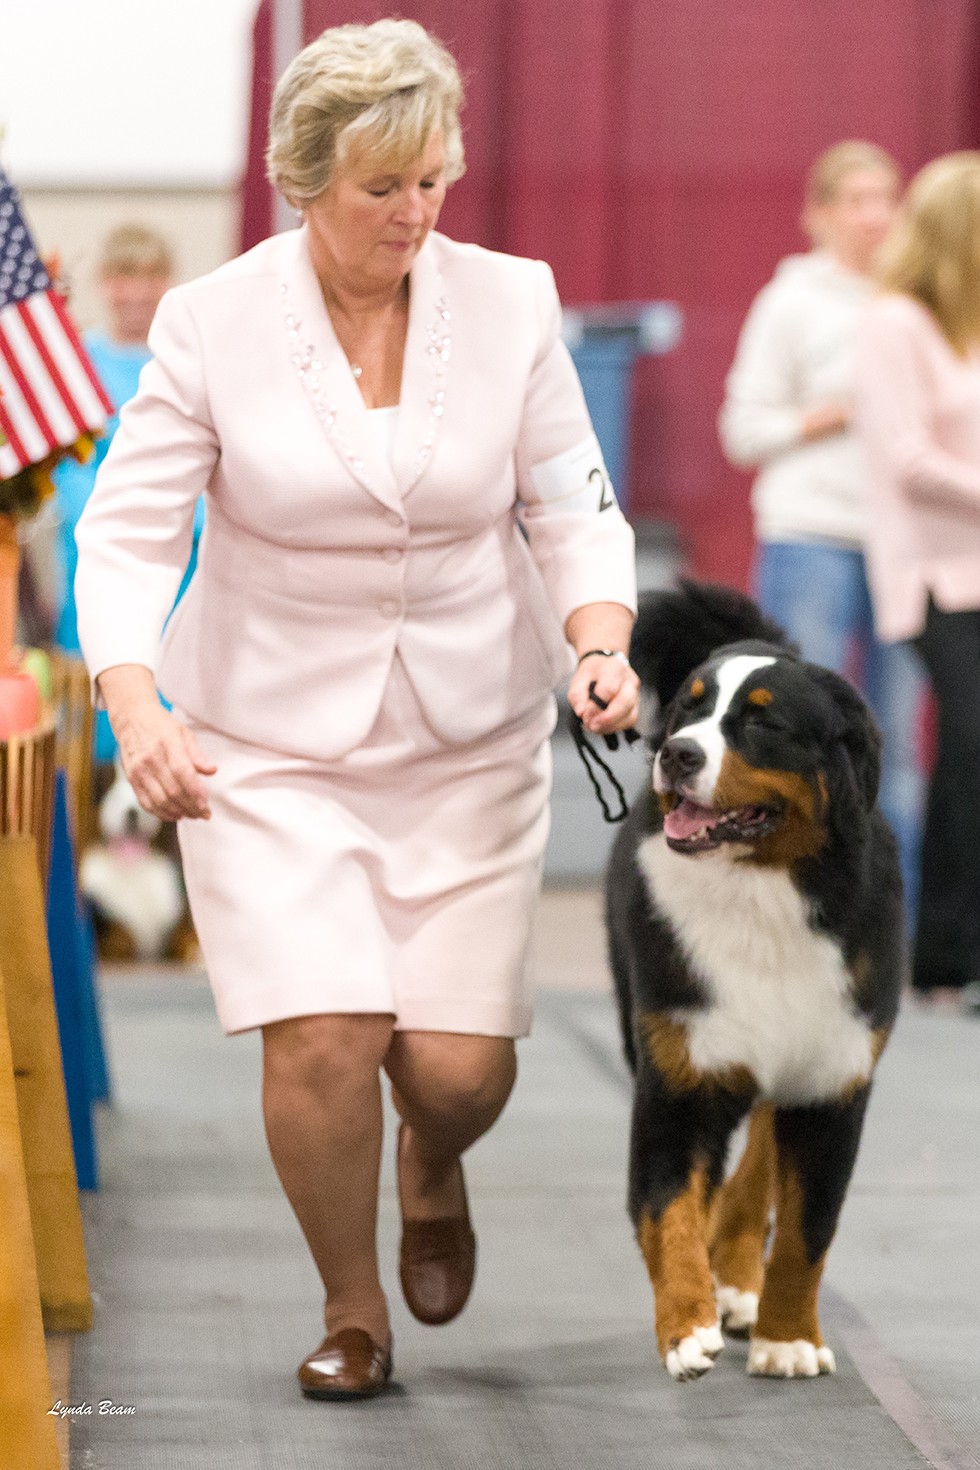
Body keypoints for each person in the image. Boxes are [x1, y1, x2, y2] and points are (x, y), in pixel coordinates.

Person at [73, 19, 638, 1399]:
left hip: (466, 737)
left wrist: (599, 640)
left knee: (456, 1069)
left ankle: (431, 1158)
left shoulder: (513, 300)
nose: (416, 213)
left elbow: (570, 501)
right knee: (323, 1031)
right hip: (262, 739)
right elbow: (133, 535)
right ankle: (350, 1306)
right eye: (383, 187)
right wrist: (136, 700)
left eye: (434, 179)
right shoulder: (213, 321)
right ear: (305, 180)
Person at [719, 141, 926, 922]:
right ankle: (787, 909)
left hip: (903, 542)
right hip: (810, 535)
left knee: (894, 742)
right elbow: (743, 430)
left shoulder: (919, 299)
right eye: (857, 200)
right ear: (820, 214)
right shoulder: (792, 302)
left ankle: (887, 920)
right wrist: (839, 410)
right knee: (788, 734)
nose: (875, 216)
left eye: (887, 198)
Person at [855, 152, 980, 1008]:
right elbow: (906, 459)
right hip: (935, 576)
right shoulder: (894, 323)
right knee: (966, 750)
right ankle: (941, 957)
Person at [54, 224, 204, 761]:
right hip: (93, 547)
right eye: (124, 276)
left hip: (185, 551)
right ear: (104, 283)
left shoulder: (184, 362)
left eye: (149, 277)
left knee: (174, 666)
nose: (137, 291)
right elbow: (69, 469)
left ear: (167, 283)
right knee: (100, 656)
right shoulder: (81, 364)